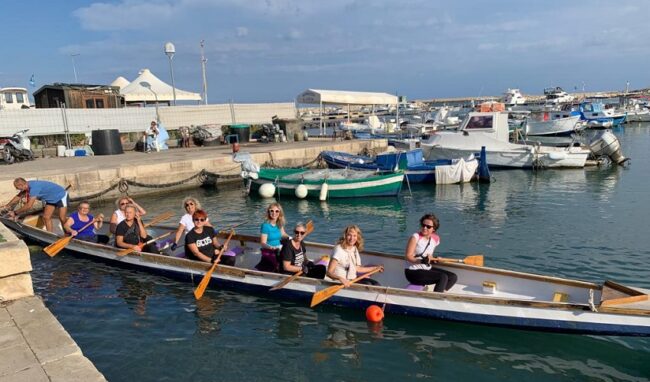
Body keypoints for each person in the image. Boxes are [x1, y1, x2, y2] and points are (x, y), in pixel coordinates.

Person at [404, 214, 457, 293]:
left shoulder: (435, 239)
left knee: (452, 277)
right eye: (423, 225)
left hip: (426, 269)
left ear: (434, 229)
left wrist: (435, 259)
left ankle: (441, 293)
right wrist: (421, 261)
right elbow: (408, 256)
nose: (425, 228)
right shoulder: (415, 237)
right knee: (442, 277)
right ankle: (436, 299)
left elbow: (429, 256)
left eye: (428, 226)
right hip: (413, 271)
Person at [3, 178, 68, 232]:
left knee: (62, 218)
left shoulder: (34, 188)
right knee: (46, 217)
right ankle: (50, 234)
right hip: (51, 199)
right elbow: (19, 196)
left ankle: (67, 233)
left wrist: (15, 213)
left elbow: (29, 206)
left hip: (60, 196)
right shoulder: (27, 185)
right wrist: (8, 205)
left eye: (17, 188)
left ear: (22, 185)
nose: (17, 189)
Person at [256, 202, 289, 272]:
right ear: (269, 212)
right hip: (269, 250)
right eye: (272, 211)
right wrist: (272, 247)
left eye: (277, 211)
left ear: (280, 213)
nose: (274, 213)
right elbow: (263, 243)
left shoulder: (279, 224)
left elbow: (283, 234)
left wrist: (293, 238)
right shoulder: (265, 226)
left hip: (279, 249)